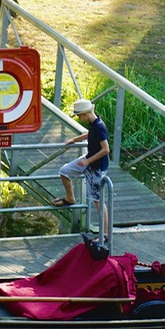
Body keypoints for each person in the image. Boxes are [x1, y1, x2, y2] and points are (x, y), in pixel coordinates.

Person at [54, 99, 110, 232]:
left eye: (79, 116)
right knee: (65, 171)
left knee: (98, 201)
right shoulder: (93, 124)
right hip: (89, 160)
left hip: (97, 167)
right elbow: (89, 134)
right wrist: (73, 140)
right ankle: (70, 198)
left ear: (85, 114)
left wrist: (88, 162)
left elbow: (106, 149)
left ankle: (106, 234)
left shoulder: (99, 126)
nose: (79, 118)